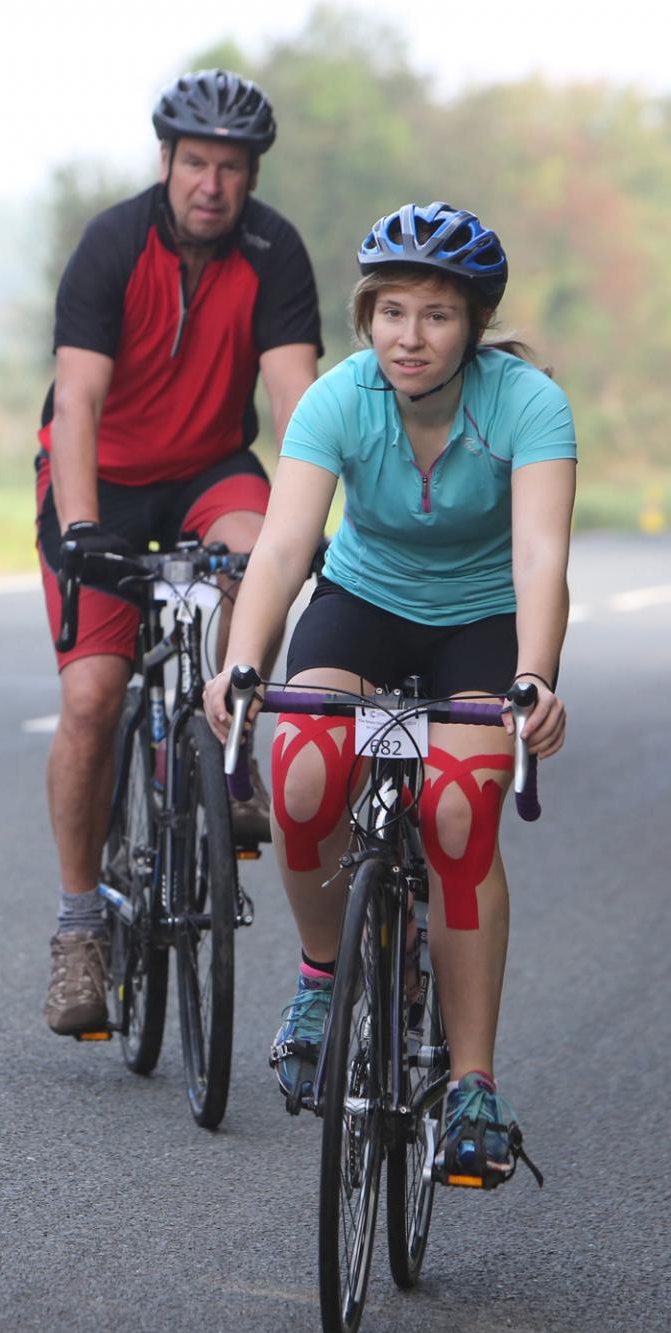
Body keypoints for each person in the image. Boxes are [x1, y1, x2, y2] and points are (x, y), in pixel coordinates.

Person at [203, 201, 575, 1177]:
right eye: (392, 311)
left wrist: (534, 676)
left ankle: (472, 1084)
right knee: (308, 773)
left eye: (438, 315)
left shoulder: (527, 404)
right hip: (363, 609)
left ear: (475, 326)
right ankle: (324, 974)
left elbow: (540, 556)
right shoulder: (339, 397)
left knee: (456, 816)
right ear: (366, 315)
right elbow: (284, 548)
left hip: (482, 626)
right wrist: (244, 663)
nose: (411, 336)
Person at [37, 68, 323, 1035]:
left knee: (262, 555)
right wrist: (79, 531)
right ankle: (80, 929)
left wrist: (312, 518)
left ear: (250, 176)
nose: (212, 183)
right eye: (196, 161)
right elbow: (75, 401)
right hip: (102, 480)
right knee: (90, 697)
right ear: (166, 161)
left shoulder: (274, 253)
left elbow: (297, 405)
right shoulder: (114, 244)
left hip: (210, 469)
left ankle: (227, 741)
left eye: (231, 167)